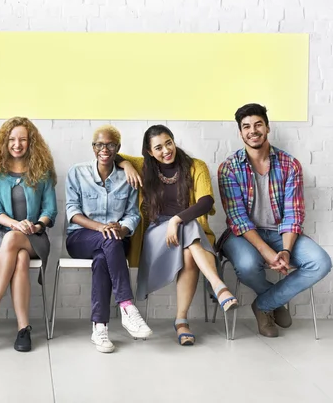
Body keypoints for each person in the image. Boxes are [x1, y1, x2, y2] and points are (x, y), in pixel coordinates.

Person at [218, 103, 331, 337]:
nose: (253, 130)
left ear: (267, 128)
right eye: (246, 126)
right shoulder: (228, 168)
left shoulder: (290, 164)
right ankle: (276, 302)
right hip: (243, 235)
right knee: (248, 266)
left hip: (281, 233)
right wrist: (267, 252)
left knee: (321, 262)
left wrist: (286, 251)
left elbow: (293, 214)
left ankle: (263, 305)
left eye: (258, 124)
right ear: (240, 133)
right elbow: (238, 218)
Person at [118, 125, 238, 346]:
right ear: (150, 151)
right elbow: (111, 152)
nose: (165, 150)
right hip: (156, 234)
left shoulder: (195, 167)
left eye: (168, 143)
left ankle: (181, 321)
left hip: (187, 231)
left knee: (189, 249)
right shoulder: (143, 166)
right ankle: (218, 286)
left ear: (174, 141)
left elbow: (206, 202)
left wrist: (176, 219)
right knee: (189, 228)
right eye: (158, 147)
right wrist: (126, 165)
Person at [65, 125, 151, 353]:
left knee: (104, 257)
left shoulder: (128, 177)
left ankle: (99, 328)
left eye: (110, 144)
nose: (105, 149)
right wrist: (101, 227)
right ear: (93, 148)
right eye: (99, 145)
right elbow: (72, 212)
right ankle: (127, 306)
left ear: (118, 148)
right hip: (80, 238)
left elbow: (133, 214)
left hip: (115, 239)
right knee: (108, 240)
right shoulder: (77, 172)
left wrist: (123, 229)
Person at [0, 117, 57, 352]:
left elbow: (50, 209)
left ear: (31, 142)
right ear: (4, 142)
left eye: (22, 139)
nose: (17, 144)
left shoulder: (42, 171)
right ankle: (23, 329)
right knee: (19, 256)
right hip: (1, 234)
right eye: (11, 139)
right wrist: (14, 224)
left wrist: (37, 226)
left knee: (16, 241)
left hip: (36, 237)